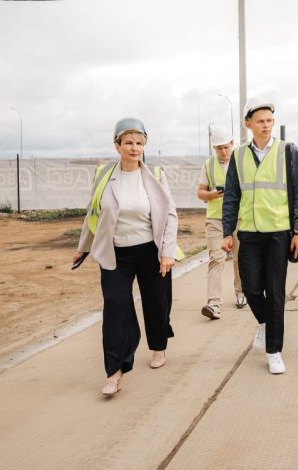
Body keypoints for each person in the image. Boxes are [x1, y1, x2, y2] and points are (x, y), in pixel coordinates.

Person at [74, 118, 179, 396]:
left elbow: (170, 215)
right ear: (117, 145)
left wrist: (167, 252)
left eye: (139, 143)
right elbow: (93, 212)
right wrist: (84, 246)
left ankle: (158, 346)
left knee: (157, 303)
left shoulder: (155, 174)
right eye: (129, 143)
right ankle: (115, 371)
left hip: (150, 250)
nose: (134, 148)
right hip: (115, 252)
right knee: (115, 307)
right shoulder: (104, 175)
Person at [221, 100, 298, 375]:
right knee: (250, 289)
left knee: (275, 293)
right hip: (249, 232)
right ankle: (265, 323)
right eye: (260, 121)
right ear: (248, 124)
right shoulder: (238, 155)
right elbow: (231, 196)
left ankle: (274, 351)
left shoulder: (287, 151)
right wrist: (227, 231)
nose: (266, 125)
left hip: (278, 233)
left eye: (269, 120)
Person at [197, 125, 245, 320]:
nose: (223, 152)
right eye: (219, 148)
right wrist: (212, 194)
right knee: (216, 258)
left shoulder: (242, 162)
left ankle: (241, 292)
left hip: (239, 218)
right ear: (213, 148)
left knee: (239, 258)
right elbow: (200, 192)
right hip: (216, 219)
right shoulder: (208, 165)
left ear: (232, 143)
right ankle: (214, 303)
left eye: (226, 147)